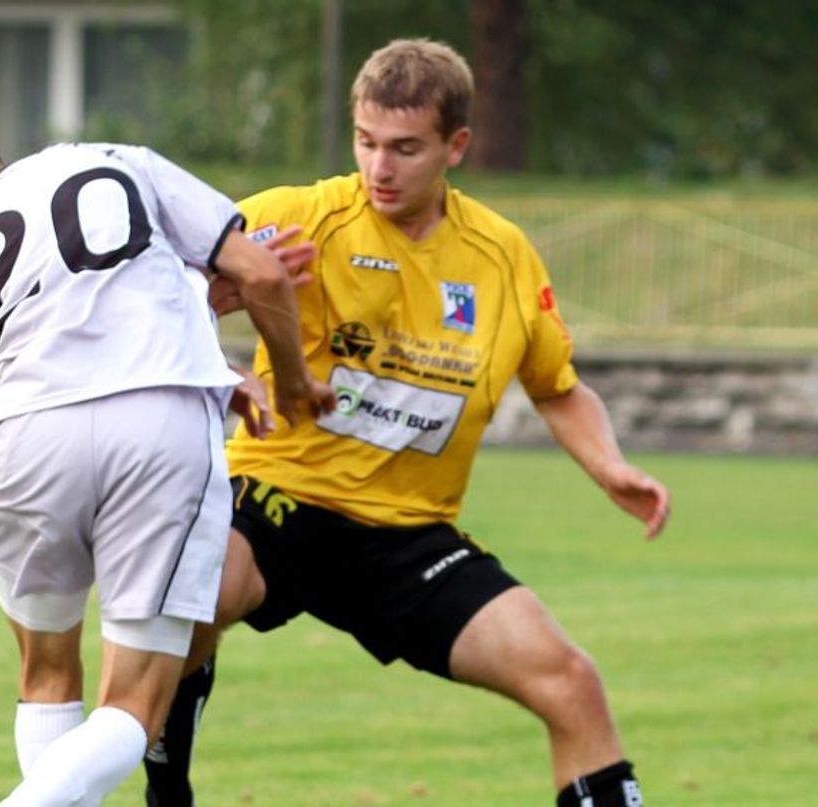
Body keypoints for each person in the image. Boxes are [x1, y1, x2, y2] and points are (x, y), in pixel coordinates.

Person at [143, 38, 670, 807]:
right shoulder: (300, 216)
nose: (379, 168)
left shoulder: (503, 257)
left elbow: (557, 388)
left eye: (405, 148)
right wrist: (226, 345)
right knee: (192, 594)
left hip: (408, 538)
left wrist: (610, 466)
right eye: (365, 142)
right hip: (281, 498)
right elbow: (153, 292)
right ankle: (167, 793)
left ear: (456, 145)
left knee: (572, 682)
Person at [0, 116, 335, 806]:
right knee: (134, 702)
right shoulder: (118, 159)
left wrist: (203, 342)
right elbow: (260, 272)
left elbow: (60, 333)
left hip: (27, 434)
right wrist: (294, 381)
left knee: (44, 674)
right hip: (157, 421)